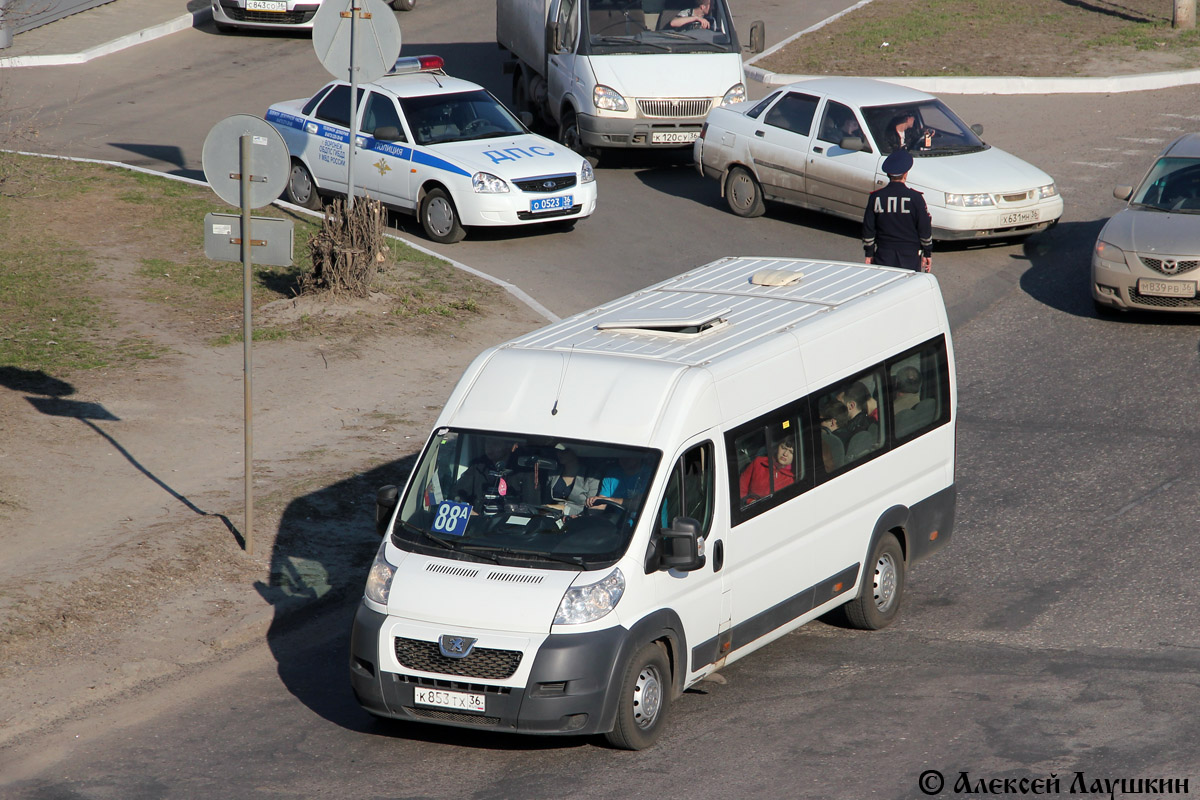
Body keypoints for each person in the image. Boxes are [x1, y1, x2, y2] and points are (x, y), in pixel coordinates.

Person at [862, 148, 933, 273]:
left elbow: (868, 228)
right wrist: (927, 252)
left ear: (888, 175)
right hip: (909, 256)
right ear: (905, 173)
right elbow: (924, 228)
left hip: (884, 253)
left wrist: (869, 253)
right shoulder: (915, 198)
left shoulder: (876, 197)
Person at [452, 437, 537, 515]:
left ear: (508, 446)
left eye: (495, 444)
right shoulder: (478, 467)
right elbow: (456, 493)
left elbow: (531, 506)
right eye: (487, 443)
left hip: (511, 527)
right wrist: (468, 511)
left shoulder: (523, 471)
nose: (489, 447)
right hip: (479, 525)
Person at [586, 456, 652, 517]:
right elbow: (601, 503)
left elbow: (638, 504)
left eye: (629, 456)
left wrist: (610, 500)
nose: (624, 459)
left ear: (639, 457)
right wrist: (586, 516)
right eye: (622, 455)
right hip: (617, 522)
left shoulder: (651, 475)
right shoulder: (612, 474)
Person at [543, 446, 600, 517]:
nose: (560, 454)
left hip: (579, 519)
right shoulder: (554, 472)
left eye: (565, 451)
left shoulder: (591, 476)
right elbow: (546, 499)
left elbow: (593, 509)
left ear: (576, 452)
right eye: (558, 451)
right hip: (551, 515)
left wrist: (564, 509)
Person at [738, 438, 795, 503]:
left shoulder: (790, 480)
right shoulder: (758, 462)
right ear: (777, 447)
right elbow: (741, 487)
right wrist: (749, 501)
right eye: (783, 448)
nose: (785, 454)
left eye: (790, 452)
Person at [834, 382, 873, 446]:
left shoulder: (853, 434)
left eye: (839, 404)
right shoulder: (867, 422)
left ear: (851, 406)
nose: (835, 407)